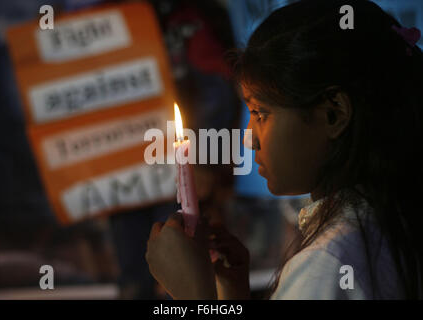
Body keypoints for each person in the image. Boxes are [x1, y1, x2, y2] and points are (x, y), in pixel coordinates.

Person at [145, 0, 423, 300]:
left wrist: (194, 293)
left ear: (334, 114)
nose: (248, 138)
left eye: (261, 113)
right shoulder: (389, 224)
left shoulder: (327, 265)